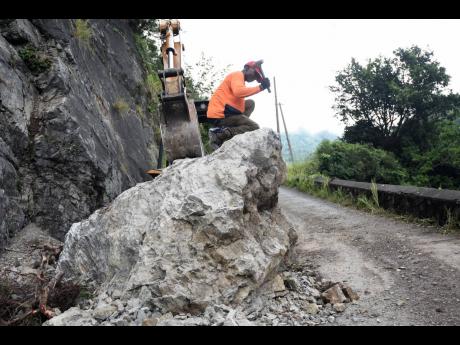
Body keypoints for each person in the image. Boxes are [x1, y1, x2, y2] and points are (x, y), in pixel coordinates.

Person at [206, 61, 271, 149]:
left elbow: (239, 94)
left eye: (256, 77)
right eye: (255, 74)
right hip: (221, 115)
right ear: (247, 68)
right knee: (253, 126)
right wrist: (261, 87)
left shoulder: (240, 80)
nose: (254, 78)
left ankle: (231, 132)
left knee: (250, 103)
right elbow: (239, 92)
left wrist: (261, 87)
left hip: (226, 112)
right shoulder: (238, 75)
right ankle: (219, 135)